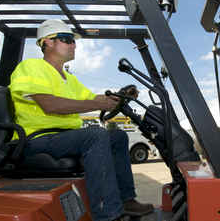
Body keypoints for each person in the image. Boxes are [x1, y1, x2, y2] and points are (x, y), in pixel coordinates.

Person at [9, 19, 154, 221]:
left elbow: (95, 99)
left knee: (118, 136)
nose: (74, 44)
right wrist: (97, 105)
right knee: (95, 135)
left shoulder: (69, 78)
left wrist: (121, 98)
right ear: (48, 42)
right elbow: (49, 104)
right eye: (67, 40)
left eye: (73, 41)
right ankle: (108, 214)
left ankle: (125, 200)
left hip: (64, 138)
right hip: (36, 139)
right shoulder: (32, 67)